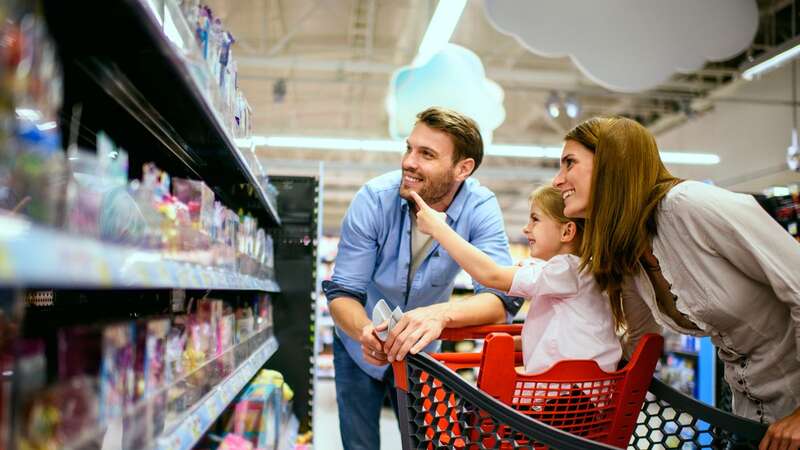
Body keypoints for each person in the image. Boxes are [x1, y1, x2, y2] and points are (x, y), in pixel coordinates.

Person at [552, 116, 800, 450]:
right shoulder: (632, 250)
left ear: (613, 164)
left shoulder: (689, 206)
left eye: (570, 163)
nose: (557, 180)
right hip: (751, 418)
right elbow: (641, 340)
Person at [322, 106, 523, 450]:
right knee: (358, 444)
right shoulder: (373, 200)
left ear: (463, 168)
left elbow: (501, 298)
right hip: (359, 346)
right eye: (409, 148)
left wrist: (440, 314)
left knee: (426, 443)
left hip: (424, 351)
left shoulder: (479, 208)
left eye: (426, 154)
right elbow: (343, 291)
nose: (408, 162)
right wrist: (364, 332)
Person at [410, 185, 620, 375]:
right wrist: (508, 343)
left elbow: (491, 275)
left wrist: (439, 229)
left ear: (567, 231)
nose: (526, 228)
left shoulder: (567, 269)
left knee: (481, 406)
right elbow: (556, 338)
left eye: (535, 219)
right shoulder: (575, 273)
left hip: (568, 396)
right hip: (579, 391)